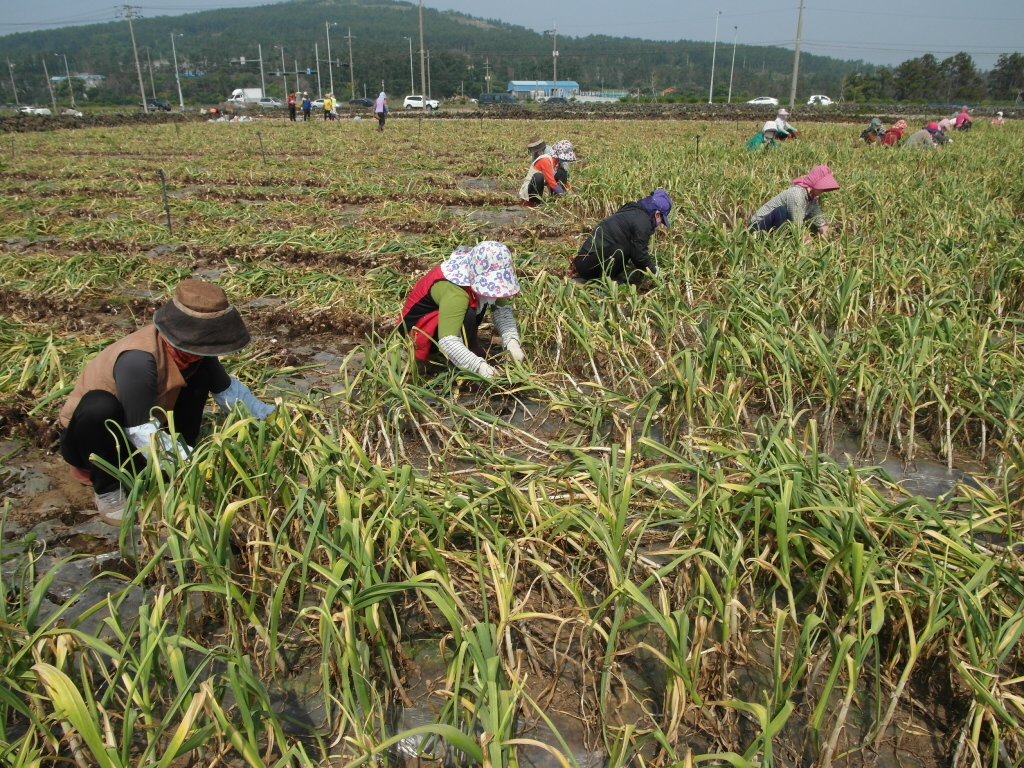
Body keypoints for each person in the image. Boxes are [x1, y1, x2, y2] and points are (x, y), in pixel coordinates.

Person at [58, 280, 276, 521]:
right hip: (99, 446)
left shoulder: (195, 353)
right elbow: (139, 428)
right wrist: (191, 464)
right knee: (99, 405)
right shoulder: (138, 360)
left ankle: (177, 454)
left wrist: (270, 419)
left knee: (202, 374)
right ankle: (109, 491)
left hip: (146, 436)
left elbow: (228, 391)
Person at [398, 242, 524, 379]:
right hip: (417, 335)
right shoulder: (455, 290)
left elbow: (501, 311)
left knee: (470, 309)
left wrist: (512, 342)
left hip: (445, 322)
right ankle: (448, 361)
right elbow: (448, 340)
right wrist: (479, 367)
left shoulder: (481, 271)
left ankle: (467, 352)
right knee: (468, 314)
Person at [570, 189, 672, 284]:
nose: (659, 224)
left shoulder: (633, 210)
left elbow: (636, 249)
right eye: (661, 221)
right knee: (618, 251)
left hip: (591, 261)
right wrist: (654, 271)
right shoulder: (643, 221)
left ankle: (611, 278)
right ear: (657, 214)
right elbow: (639, 256)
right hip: (586, 265)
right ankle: (604, 285)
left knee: (625, 248)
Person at [748, 165, 838, 236]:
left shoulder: (812, 199)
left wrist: (828, 232)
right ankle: (776, 240)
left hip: (776, 228)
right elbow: (797, 223)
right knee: (781, 211)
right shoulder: (797, 193)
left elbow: (819, 220)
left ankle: (779, 239)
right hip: (757, 227)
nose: (824, 190)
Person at [518, 136, 564, 207]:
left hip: (551, 174)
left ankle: (556, 198)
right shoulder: (538, 156)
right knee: (538, 177)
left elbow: (558, 169)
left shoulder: (549, 153)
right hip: (542, 179)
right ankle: (539, 203)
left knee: (561, 173)